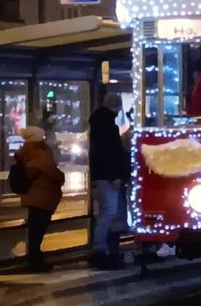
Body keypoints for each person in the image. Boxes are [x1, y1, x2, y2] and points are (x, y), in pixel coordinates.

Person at [88, 93, 129, 270]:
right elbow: (112, 154)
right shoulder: (109, 127)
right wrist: (116, 176)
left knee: (109, 212)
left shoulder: (98, 124)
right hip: (108, 177)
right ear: (115, 106)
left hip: (101, 176)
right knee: (110, 212)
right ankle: (101, 249)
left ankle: (105, 250)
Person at [16, 126, 65, 272]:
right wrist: (61, 177)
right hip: (41, 196)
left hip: (34, 196)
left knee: (35, 229)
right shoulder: (39, 153)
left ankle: (35, 258)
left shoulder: (27, 152)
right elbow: (53, 172)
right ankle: (35, 260)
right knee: (38, 230)